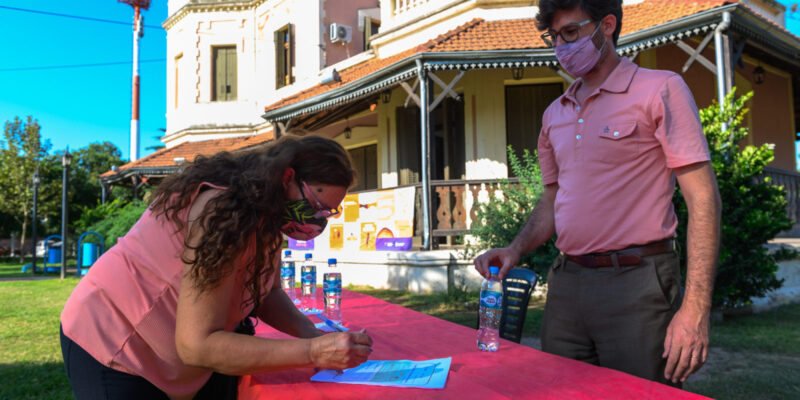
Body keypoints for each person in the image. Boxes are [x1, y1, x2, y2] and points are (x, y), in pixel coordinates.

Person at [474, 0, 721, 387]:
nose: (561, 46)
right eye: (554, 37)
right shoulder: (555, 114)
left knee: (640, 395)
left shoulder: (660, 89)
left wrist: (696, 309)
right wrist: (515, 249)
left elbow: (703, 199)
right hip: (566, 286)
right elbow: (552, 201)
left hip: (638, 284)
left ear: (607, 25)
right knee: (559, 392)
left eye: (571, 32)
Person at [60, 135, 373, 399]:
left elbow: (267, 292)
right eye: (316, 207)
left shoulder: (268, 217)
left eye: (328, 214)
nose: (317, 221)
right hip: (114, 340)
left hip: (174, 360)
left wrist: (311, 333)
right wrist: (313, 352)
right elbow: (197, 346)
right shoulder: (220, 213)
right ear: (287, 178)